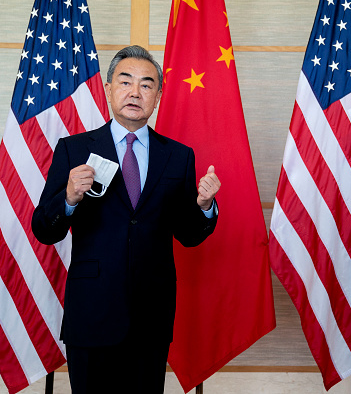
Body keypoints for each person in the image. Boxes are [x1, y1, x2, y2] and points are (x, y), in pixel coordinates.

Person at [32, 45, 221, 393]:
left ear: (158, 95)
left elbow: (189, 235)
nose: (136, 92)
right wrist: (70, 197)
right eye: (126, 82)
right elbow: (44, 229)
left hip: (152, 315)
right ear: (108, 88)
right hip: (91, 313)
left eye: (147, 85)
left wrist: (205, 205)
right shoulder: (74, 149)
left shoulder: (178, 156)